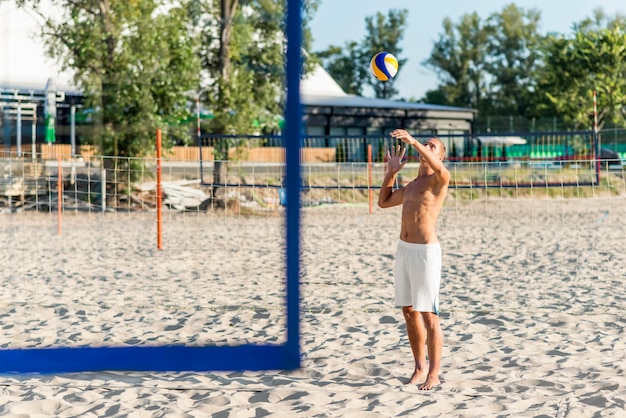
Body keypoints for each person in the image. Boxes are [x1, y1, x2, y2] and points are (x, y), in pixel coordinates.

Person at [378, 129, 450, 390]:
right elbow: (383, 202)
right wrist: (391, 172)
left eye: (433, 146)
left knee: (429, 315)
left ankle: (434, 372)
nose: (428, 147)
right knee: (409, 311)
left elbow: (436, 165)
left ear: (440, 156)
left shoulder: (440, 178)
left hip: (425, 253)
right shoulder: (411, 186)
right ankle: (419, 367)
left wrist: (414, 141)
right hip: (404, 249)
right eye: (426, 144)